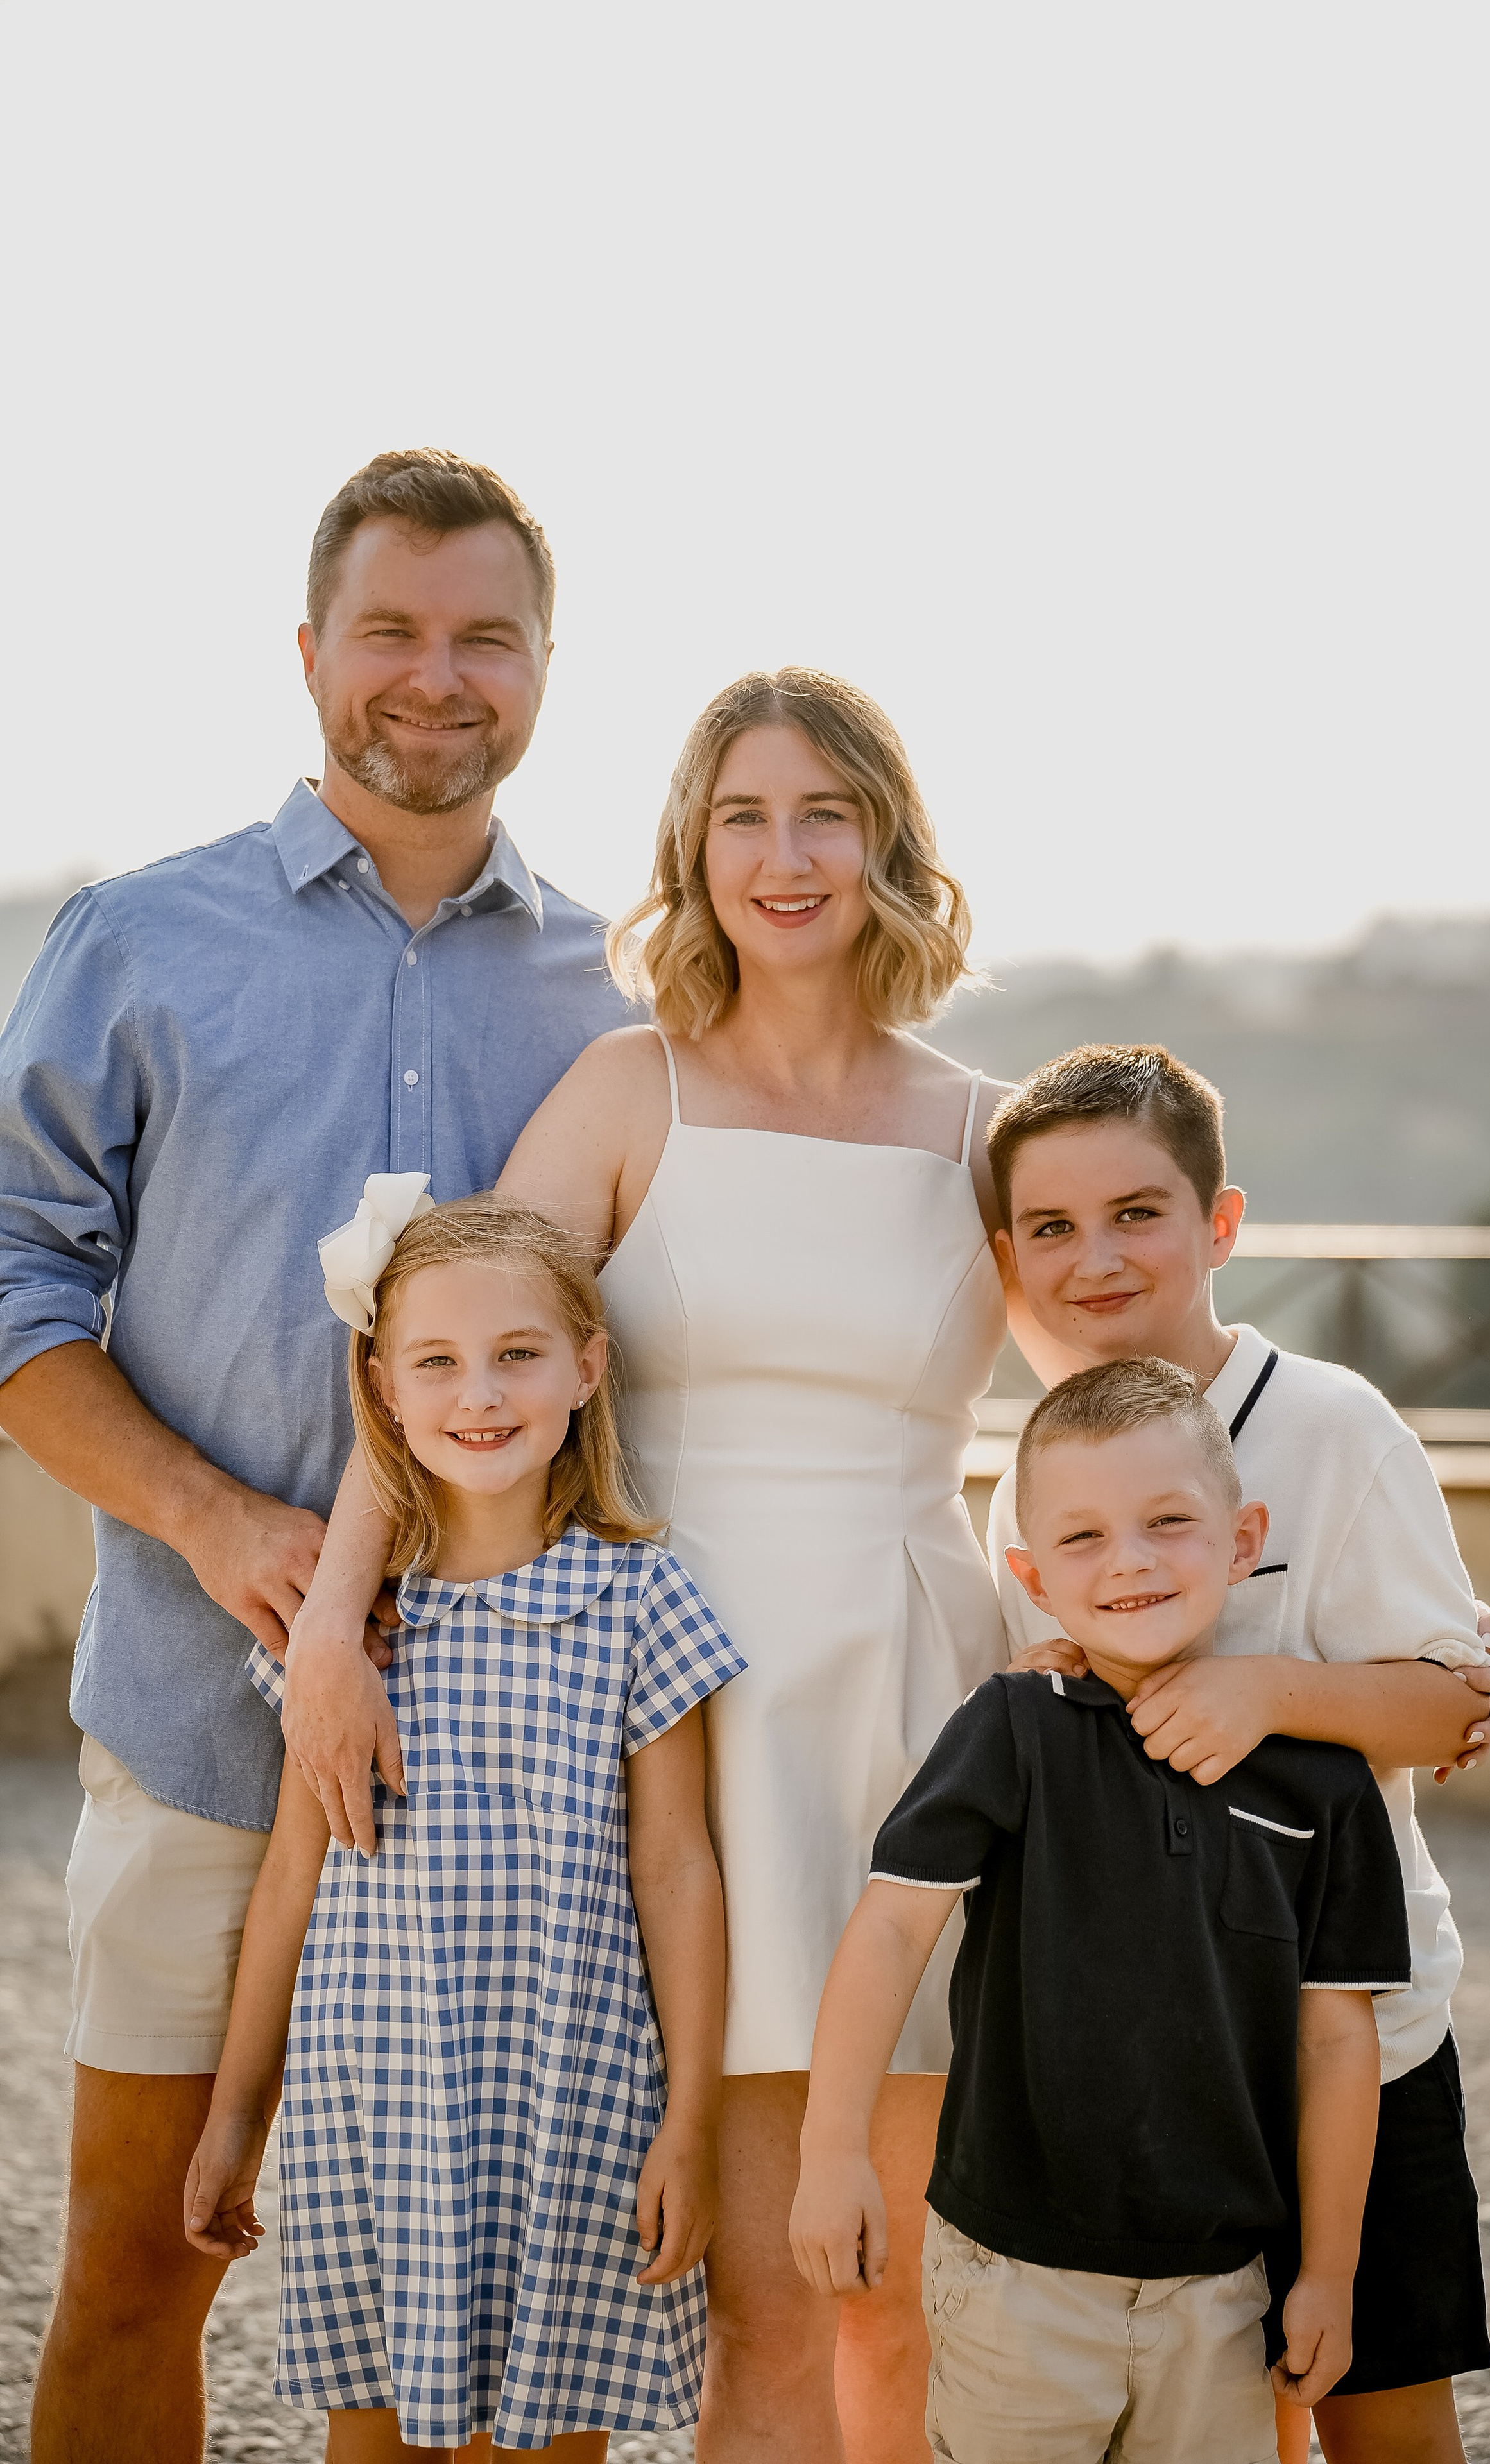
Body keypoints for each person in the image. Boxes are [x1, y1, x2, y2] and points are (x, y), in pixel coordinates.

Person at [289, 669, 1022, 2463]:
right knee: (764, 2288)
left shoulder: (985, 1125)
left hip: (922, 1695)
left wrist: (1348, 1572)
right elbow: (445, 1347)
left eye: (826, 814)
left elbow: (1141, 1380)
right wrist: (333, 1613)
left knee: (904, 2291)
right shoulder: (631, 1092)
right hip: (673, 1722)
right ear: (693, 851)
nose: (786, 857)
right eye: (744, 816)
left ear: (890, 846)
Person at [0, 447, 631, 2464]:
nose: (434, 678)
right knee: (129, 2275)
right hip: (205, 1723)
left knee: (488, 2326)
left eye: (484, 639)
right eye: (391, 631)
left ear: (545, 669)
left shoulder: (631, 992)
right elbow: (15, 1281)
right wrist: (214, 1522)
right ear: (308, 653)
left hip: (530, 1766)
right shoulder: (139, 941)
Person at [983, 1043, 1490, 2464]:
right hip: (1151, 2068)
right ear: (1008, 1257)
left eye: (1135, 1212)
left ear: (1217, 1224)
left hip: (1354, 2039)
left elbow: (1455, 1707)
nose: (1094, 1256)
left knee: (1377, 2415)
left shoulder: (1334, 1430)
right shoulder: (1036, 1481)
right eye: (1050, 1228)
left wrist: (1267, 1687)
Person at [183, 1192, 745, 2458]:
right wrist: (234, 2115)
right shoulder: (350, 1636)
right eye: (436, 1362)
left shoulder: (637, 1598)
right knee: (371, 2439)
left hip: (574, 2096)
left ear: (586, 1368)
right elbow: (291, 1877)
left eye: (517, 1355)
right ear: (381, 1388)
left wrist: (691, 2123)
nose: (479, 1394)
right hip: (371, 2101)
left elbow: (675, 1865)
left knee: (550, 2440)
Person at [792, 1358, 1412, 2464]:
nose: (1127, 1560)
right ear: (1031, 1573)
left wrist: (1329, 2271)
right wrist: (831, 2152)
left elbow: (1333, 2037)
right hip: (1011, 2277)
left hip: (1227, 2287)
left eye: (1168, 1520)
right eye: (1082, 1539)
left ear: (1241, 1536)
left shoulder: (1325, 1784)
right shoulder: (1015, 1729)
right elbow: (890, 1928)